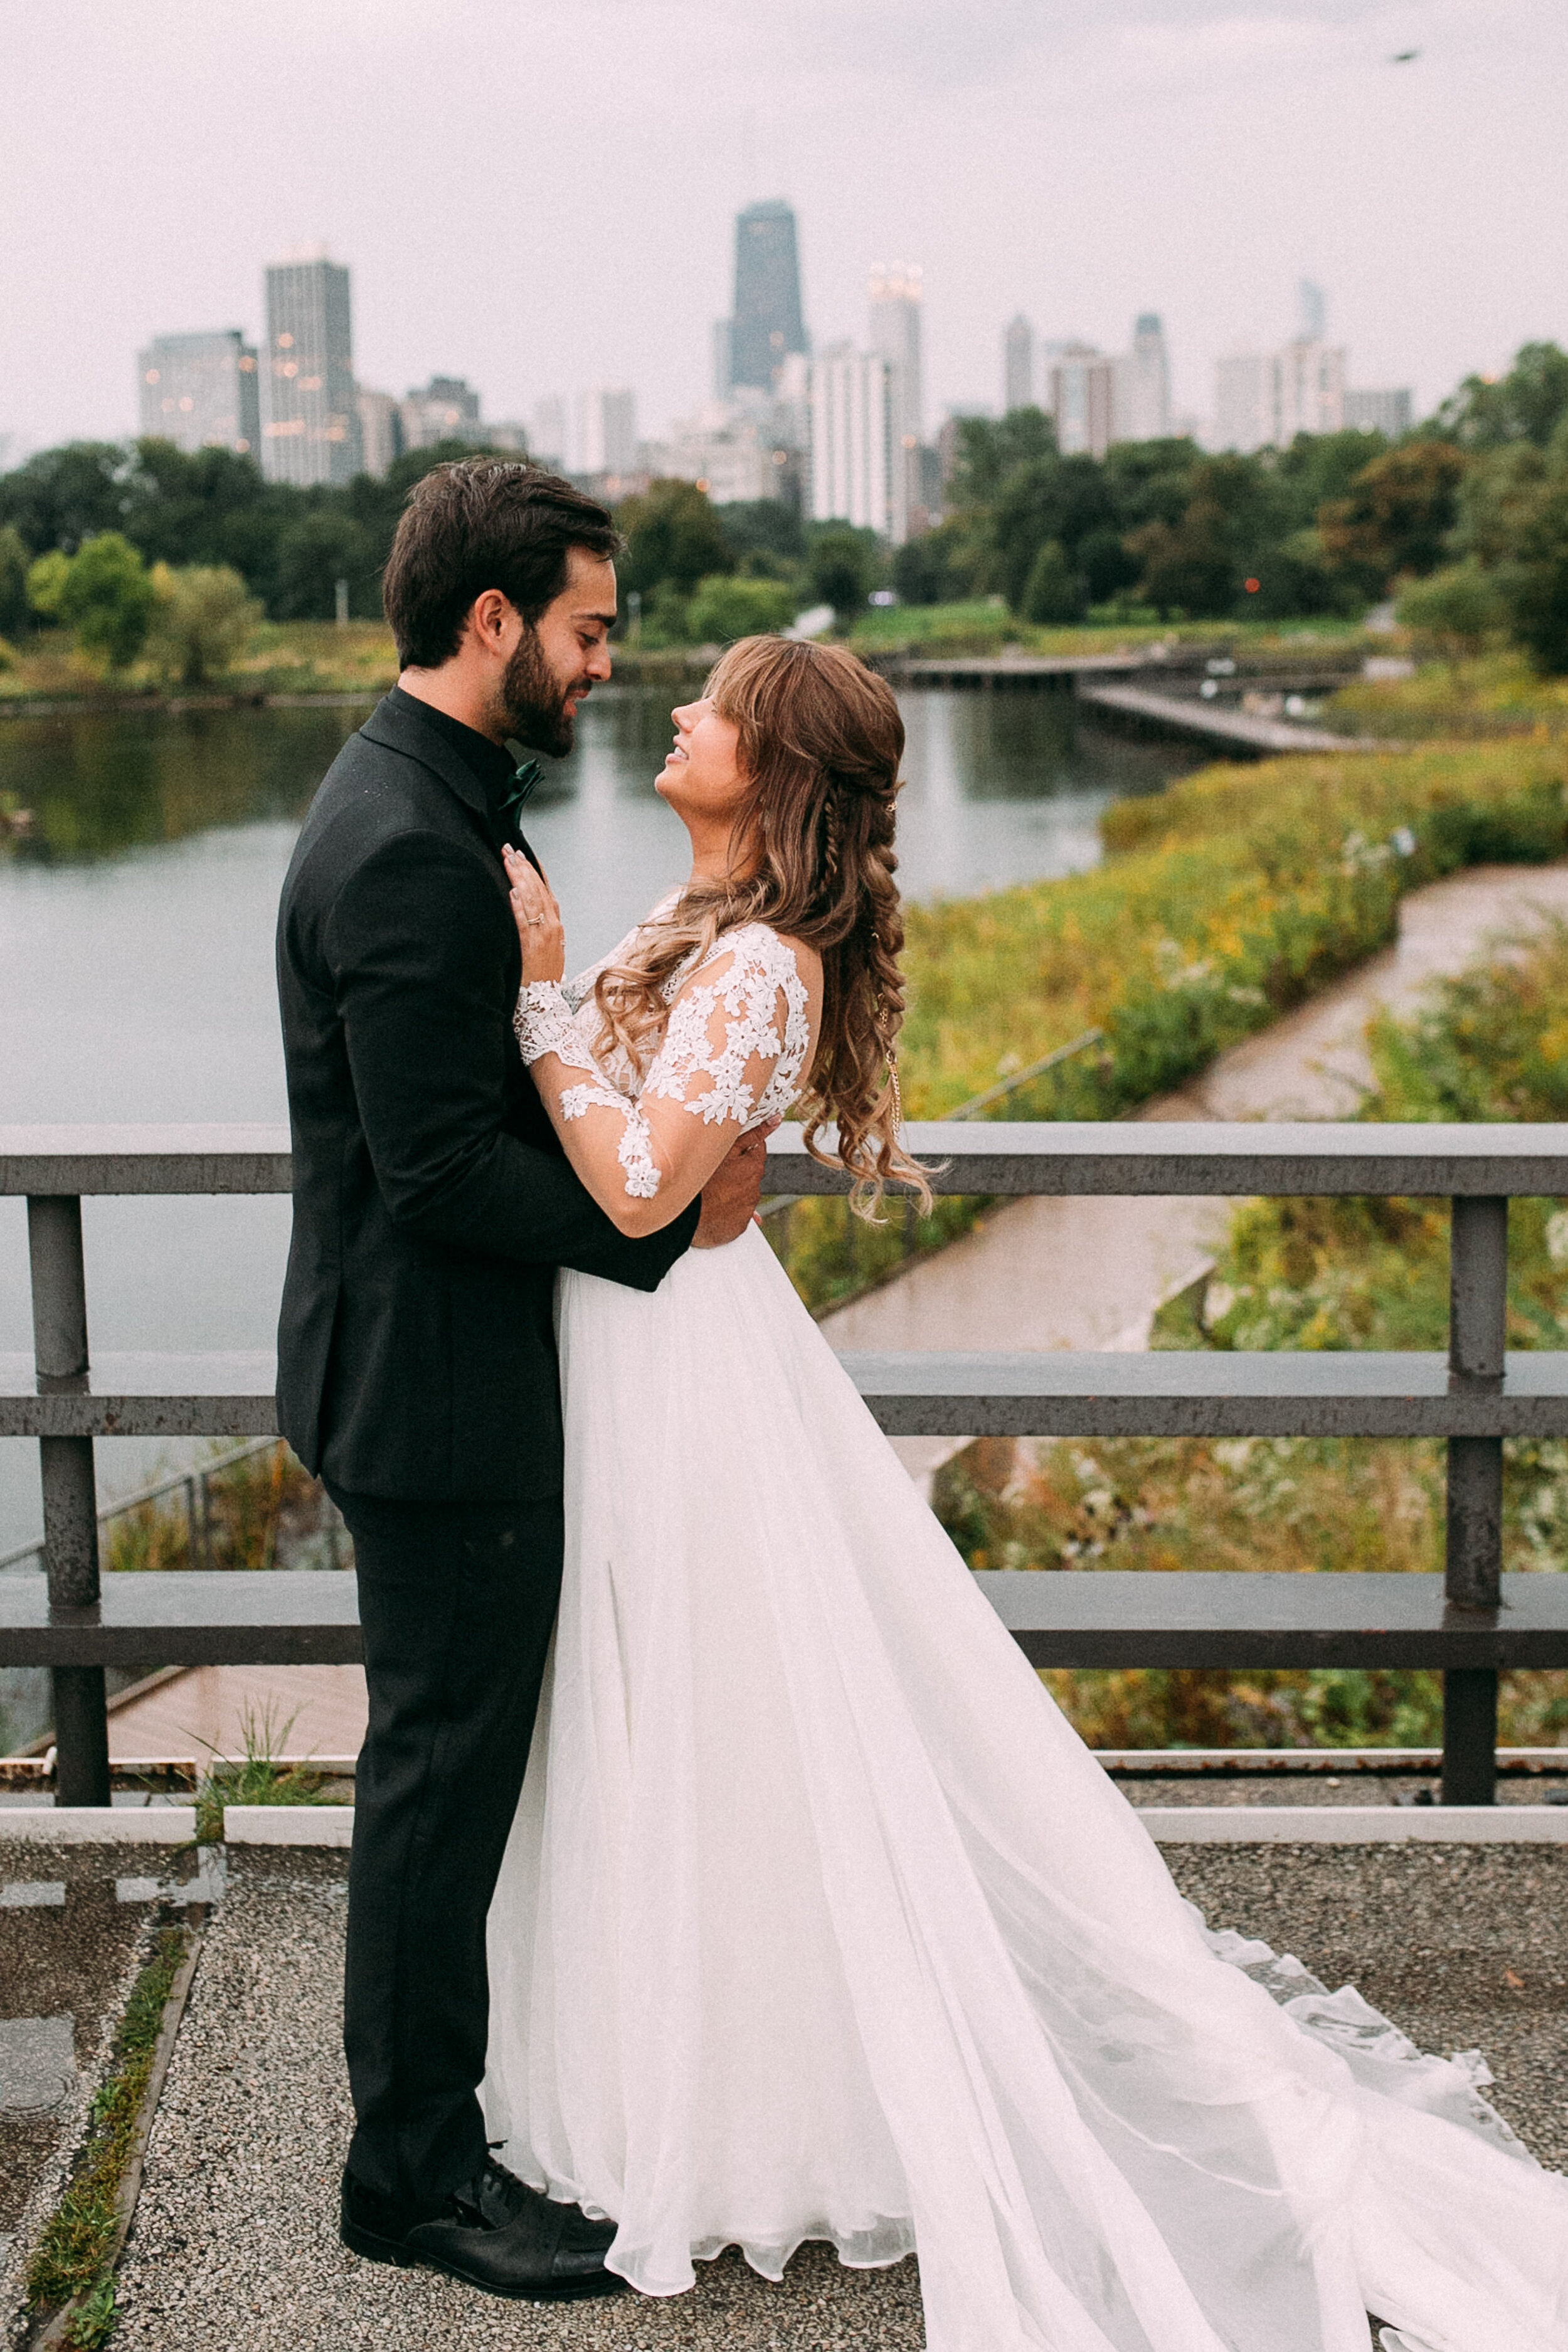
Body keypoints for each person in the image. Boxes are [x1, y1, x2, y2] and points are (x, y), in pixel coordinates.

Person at [484, 632, 1568, 2352]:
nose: (674, 713)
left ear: (763, 766)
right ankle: (706, 2065)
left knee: (730, 1712)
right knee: (679, 1719)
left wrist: (539, 996)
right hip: (630, 1359)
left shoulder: (764, 963)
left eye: (708, 706)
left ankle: (772, 2109)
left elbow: (635, 1194)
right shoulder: (689, 926)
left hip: (682, 1359)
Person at [274, 461, 770, 2302]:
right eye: (585, 631)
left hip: (437, 1374)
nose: (600, 666)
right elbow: (433, 1171)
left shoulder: (431, 793)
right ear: (491, 622)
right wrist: (651, 1224)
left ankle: (432, 2143)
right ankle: (407, 2178)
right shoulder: (409, 843)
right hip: (437, 1397)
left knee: (449, 1769)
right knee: (437, 1783)